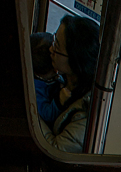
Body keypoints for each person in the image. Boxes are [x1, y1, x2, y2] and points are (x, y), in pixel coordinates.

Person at [38, 15, 100, 153]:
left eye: (57, 46)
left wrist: (32, 115)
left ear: (75, 61)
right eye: (54, 41)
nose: (50, 50)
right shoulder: (63, 78)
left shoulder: (86, 113)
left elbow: (56, 150)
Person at [30, 32, 60, 125]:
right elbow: (47, 115)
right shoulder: (34, 89)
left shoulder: (43, 79)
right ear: (55, 70)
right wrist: (59, 101)